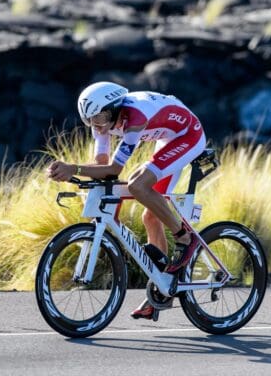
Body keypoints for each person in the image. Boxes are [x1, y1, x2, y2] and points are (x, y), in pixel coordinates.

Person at [46, 81, 206, 320]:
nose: (96, 126)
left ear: (114, 108)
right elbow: (100, 165)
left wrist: (74, 168)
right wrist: (69, 171)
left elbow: (113, 170)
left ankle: (184, 237)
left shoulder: (135, 117)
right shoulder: (101, 120)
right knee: (150, 215)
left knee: (137, 185)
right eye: (89, 121)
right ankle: (162, 288)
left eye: (99, 118)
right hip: (168, 138)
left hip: (188, 136)